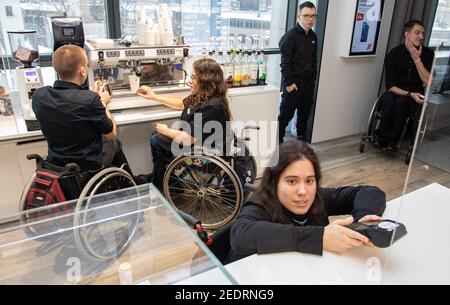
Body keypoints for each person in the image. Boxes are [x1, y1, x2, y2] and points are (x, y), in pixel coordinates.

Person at [228, 140, 386, 263]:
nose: (303, 191)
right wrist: (320, 238)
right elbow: (241, 236)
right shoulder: (259, 206)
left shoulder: (318, 197)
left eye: (309, 181)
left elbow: (371, 192)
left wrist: (364, 217)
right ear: (274, 182)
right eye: (291, 181)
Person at [32, 45, 144, 182]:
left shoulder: (39, 96)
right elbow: (111, 133)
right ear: (83, 71)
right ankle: (129, 184)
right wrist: (102, 102)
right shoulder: (89, 99)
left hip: (56, 164)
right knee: (114, 143)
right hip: (87, 166)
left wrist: (94, 98)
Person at [137, 58, 232, 190]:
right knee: (158, 138)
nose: (189, 81)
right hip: (197, 144)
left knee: (156, 138)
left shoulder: (212, 106)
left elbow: (188, 138)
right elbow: (181, 103)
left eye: (193, 77)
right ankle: (166, 180)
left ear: (204, 81)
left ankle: (160, 183)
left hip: (206, 154)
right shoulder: (202, 96)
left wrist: (165, 130)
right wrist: (154, 96)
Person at [375, 20, 434, 151]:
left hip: (415, 95)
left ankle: (392, 141)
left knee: (402, 103)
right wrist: (408, 93)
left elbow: (428, 82)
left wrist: (417, 59)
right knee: (389, 101)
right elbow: (390, 86)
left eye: (422, 33)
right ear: (407, 34)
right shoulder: (394, 54)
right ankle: (381, 137)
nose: (421, 37)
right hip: (396, 91)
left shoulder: (428, 54)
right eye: (417, 33)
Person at [278, 1, 318, 143]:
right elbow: (284, 63)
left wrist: (313, 81)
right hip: (293, 83)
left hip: (308, 84)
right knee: (285, 116)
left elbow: (314, 61)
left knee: (304, 115)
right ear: (298, 17)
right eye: (306, 16)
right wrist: (289, 84)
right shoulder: (290, 37)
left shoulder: (313, 36)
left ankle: (302, 143)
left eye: (313, 16)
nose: (310, 19)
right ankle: (278, 142)